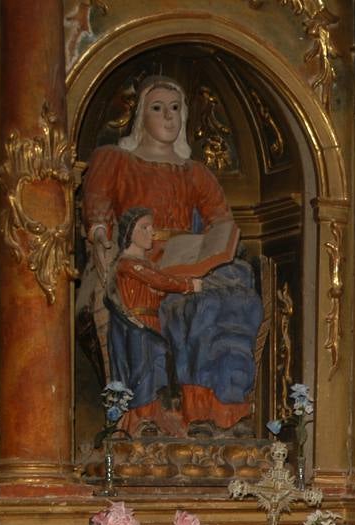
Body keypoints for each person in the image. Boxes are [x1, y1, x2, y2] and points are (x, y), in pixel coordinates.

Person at [81, 75, 263, 434]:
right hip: (143, 260)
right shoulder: (115, 160)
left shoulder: (196, 172)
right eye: (158, 108)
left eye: (176, 108)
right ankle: (176, 411)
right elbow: (98, 206)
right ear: (140, 117)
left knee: (234, 295)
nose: (168, 117)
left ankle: (219, 409)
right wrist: (101, 234)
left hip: (189, 256)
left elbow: (221, 221)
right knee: (193, 306)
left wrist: (216, 251)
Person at [109, 206, 203, 435]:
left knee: (158, 366)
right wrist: (188, 285)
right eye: (144, 227)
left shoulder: (147, 265)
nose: (151, 232)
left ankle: (154, 418)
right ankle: (140, 420)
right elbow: (156, 280)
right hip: (136, 325)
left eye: (152, 227)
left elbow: (157, 285)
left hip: (152, 322)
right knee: (143, 369)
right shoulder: (127, 263)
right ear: (130, 232)